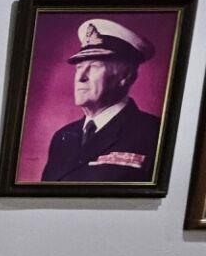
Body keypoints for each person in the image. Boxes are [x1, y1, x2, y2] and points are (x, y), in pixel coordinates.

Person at [41, 18, 162, 182]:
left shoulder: (155, 133)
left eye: (94, 66)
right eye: (79, 67)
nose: (81, 77)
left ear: (125, 76)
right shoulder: (63, 137)